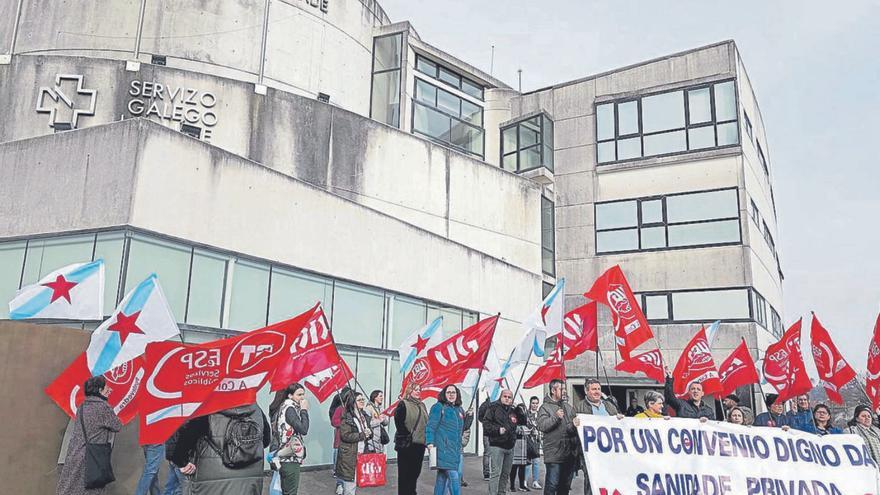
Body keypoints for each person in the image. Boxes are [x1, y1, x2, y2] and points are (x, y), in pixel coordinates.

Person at [170, 402, 271, 494]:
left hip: (211, 483)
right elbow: (265, 441)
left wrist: (182, 463)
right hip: (249, 482)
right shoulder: (256, 410)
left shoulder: (206, 410)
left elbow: (184, 444)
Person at [57, 376, 123, 495]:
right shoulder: (103, 407)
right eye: (106, 387)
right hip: (93, 457)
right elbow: (117, 425)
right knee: (93, 490)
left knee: (71, 489)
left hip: (76, 454)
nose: (108, 389)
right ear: (99, 390)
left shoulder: (82, 407)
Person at [573, 379, 623, 495]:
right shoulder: (578, 407)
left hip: (609, 452)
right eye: (593, 389)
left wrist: (619, 420)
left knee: (609, 480)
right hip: (590, 454)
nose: (597, 392)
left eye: (599, 389)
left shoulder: (609, 406)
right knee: (592, 481)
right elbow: (569, 430)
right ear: (586, 391)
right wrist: (573, 424)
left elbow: (617, 426)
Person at [426, 385, 472, 495]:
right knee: (454, 477)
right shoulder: (438, 407)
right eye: (448, 392)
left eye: (453, 392)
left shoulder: (459, 409)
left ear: (457, 395)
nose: (451, 395)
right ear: (444, 394)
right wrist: (430, 443)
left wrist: (469, 417)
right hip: (443, 449)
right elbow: (430, 427)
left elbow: (463, 428)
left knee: (442, 478)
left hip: (455, 449)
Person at [536, 380, 579, 495]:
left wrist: (574, 425)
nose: (564, 391)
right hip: (554, 453)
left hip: (568, 453)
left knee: (565, 486)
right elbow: (542, 426)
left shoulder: (569, 408)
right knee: (552, 484)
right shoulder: (544, 408)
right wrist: (556, 417)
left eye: (565, 389)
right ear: (553, 390)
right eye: (561, 389)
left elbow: (570, 429)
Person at [482, 388, 527, 495]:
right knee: (496, 473)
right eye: (505, 396)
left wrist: (520, 410)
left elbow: (523, 422)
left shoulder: (513, 410)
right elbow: (486, 425)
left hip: (510, 446)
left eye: (509, 397)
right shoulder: (493, 408)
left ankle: (501, 492)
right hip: (497, 445)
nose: (507, 399)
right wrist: (497, 430)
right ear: (501, 397)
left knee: (505, 473)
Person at [268, 383, 310, 495]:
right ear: (290, 395)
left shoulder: (281, 407)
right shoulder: (290, 409)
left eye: (303, 394)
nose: (302, 398)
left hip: (282, 456)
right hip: (290, 457)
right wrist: (304, 411)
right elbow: (303, 429)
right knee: (290, 491)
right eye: (299, 394)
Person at [395, 382, 429, 495]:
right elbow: (399, 423)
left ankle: (411, 492)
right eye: (415, 389)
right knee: (405, 475)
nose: (418, 391)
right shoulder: (403, 404)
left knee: (415, 473)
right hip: (407, 445)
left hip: (420, 444)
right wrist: (407, 435)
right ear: (409, 391)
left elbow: (426, 422)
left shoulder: (422, 405)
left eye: (419, 389)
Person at [335, 393, 372, 495]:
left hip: (361, 453)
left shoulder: (364, 416)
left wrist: (369, 433)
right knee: (350, 483)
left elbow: (368, 432)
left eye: (363, 399)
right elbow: (345, 436)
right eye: (359, 400)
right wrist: (362, 435)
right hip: (349, 454)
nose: (362, 401)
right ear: (352, 402)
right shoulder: (347, 417)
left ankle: (341, 487)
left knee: (356, 481)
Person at [330, 387, 354, 495]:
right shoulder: (340, 409)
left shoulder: (355, 410)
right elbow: (334, 422)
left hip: (352, 443)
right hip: (340, 441)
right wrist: (345, 423)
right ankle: (339, 484)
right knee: (339, 466)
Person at [509, 404, 530, 492]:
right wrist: (521, 429)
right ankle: (512, 485)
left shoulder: (525, 416)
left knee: (522, 466)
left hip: (523, 442)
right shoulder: (512, 415)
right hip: (516, 442)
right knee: (514, 466)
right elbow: (512, 428)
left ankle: (521, 485)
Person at [364, 390, 390, 454]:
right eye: (380, 396)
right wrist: (379, 421)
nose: (382, 398)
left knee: (379, 458)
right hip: (372, 439)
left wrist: (383, 419)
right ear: (375, 397)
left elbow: (386, 423)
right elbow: (367, 424)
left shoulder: (381, 408)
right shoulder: (368, 408)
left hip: (380, 439)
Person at [525, 396, 543, 490]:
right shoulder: (526, 414)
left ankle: (535, 481)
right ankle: (524, 481)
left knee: (536, 461)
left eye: (536, 403)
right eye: (533, 403)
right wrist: (531, 429)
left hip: (537, 441)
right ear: (530, 403)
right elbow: (524, 426)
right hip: (528, 441)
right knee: (528, 462)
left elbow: (543, 426)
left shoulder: (540, 414)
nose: (535, 405)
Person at [478, 395, 493, 481]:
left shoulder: (484, 405)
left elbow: (479, 417)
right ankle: (492, 472)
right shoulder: (496, 405)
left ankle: (486, 473)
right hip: (495, 432)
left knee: (487, 453)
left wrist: (485, 423)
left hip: (487, 431)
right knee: (494, 453)